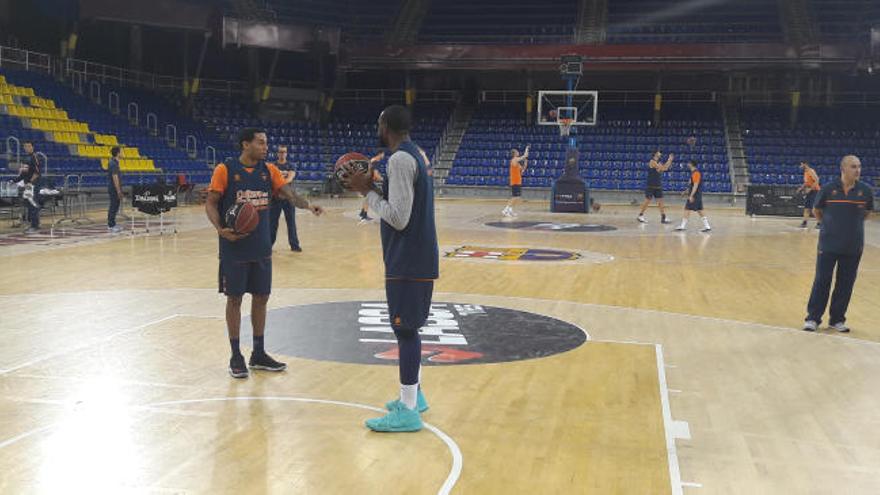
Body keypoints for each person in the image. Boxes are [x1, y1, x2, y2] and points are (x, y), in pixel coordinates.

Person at [345, 105, 438, 433]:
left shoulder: (399, 159)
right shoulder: (417, 155)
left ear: (386, 127)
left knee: (405, 330)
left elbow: (399, 217)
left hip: (408, 258)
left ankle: (409, 411)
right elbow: (407, 202)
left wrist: (366, 191)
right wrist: (377, 187)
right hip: (417, 255)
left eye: (379, 123)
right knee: (410, 328)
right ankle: (415, 395)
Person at [206, 128, 324, 378]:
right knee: (234, 300)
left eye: (266, 143)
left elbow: (287, 193)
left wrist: (307, 205)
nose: (265, 147)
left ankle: (258, 353)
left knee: (261, 298)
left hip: (261, 248)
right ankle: (236, 354)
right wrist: (220, 229)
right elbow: (211, 202)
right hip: (234, 248)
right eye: (260, 143)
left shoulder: (268, 170)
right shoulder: (224, 170)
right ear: (245, 144)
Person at [802, 155, 873, 333]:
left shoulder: (865, 191)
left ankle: (837, 319)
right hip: (828, 245)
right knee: (822, 281)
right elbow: (817, 211)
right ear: (843, 169)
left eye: (859, 167)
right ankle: (813, 318)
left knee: (845, 284)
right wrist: (830, 227)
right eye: (853, 167)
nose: (858, 170)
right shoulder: (827, 189)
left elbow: (866, 213)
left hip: (853, 246)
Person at [269, 145, 302, 252]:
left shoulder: (291, 165)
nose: (282, 154)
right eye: (280, 152)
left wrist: (279, 184)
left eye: (284, 152)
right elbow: (271, 179)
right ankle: (269, 245)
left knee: (291, 222)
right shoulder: (273, 166)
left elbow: (290, 178)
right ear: (277, 153)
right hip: (275, 198)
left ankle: (294, 245)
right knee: (273, 223)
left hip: (289, 198)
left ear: (286, 153)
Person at [12, 141, 42, 233]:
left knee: (33, 205)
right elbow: (23, 174)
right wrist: (14, 181)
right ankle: (33, 224)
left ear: (32, 147)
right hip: (27, 185)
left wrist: (30, 182)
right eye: (25, 146)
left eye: (29, 146)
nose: (27, 148)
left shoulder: (35, 157)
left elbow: (37, 173)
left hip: (33, 184)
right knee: (29, 205)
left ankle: (35, 226)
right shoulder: (25, 159)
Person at [638, 150, 674, 224]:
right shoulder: (652, 162)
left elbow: (665, 168)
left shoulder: (658, 162)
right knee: (647, 201)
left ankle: (663, 217)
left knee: (660, 202)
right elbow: (663, 168)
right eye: (659, 152)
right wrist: (668, 162)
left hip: (658, 185)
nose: (660, 153)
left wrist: (670, 160)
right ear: (655, 154)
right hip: (651, 185)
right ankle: (640, 215)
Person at [674, 160, 711, 232]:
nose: (687, 164)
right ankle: (707, 226)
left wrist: (691, 195)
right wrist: (685, 192)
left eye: (688, 163)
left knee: (687, 209)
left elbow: (695, 185)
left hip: (695, 195)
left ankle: (682, 226)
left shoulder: (696, 173)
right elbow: (691, 186)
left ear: (691, 164)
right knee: (700, 210)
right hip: (696, 195)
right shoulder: (693, 173)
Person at [358, 152, 385, 224]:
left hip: (366, 181)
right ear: (380, 154)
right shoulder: (375, 162)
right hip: (368, 182)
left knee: (367, 198)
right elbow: (375, 175)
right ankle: (364, 216)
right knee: (380, 195)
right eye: (383, 154)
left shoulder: (372, 160)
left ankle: (362, 214)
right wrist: (383, 179)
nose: (383, 155)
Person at [502, 146, 529, 217]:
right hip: (515, 181)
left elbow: (522, 170)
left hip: (518, 181)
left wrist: (526, 163)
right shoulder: (514, 160)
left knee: (517, 197)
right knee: (514, 197)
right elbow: (525, 155)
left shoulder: (517, 163)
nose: (518, 152)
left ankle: (510, 210)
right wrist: (526, 149)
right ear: (514, 154)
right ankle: (505, 210)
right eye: (517, 152)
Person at [795, 161, 821, 229]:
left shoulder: (811, 171)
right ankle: (804, 223)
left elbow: (817, 180)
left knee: (814, 208)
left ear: (805, 164)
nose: (800, 166)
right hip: (810, 192)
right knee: (807, 208)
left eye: (801, 164)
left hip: (815, 191)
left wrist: (810, 189)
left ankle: (820, 223)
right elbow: (806, 183)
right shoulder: (805, 173)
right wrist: (801, 188)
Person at [107, 146, 124, 233]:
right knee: (113, 206)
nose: (122, 153)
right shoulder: (113, 163)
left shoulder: (116, 163)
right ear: (118, 153)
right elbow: (115, 178)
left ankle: (113, 223)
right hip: (113, 188)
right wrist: (118, 191)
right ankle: (111, 225)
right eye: (121, 151)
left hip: (115, 188)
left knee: (116, 206)